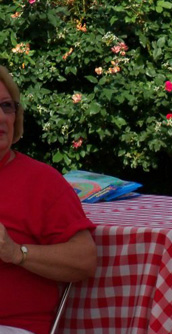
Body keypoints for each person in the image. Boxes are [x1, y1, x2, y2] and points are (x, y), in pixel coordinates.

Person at [0, 65, 97, 334]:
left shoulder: (41, 182)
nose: (0, 116)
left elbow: (84, 259)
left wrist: (16, 252)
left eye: (6, 107)